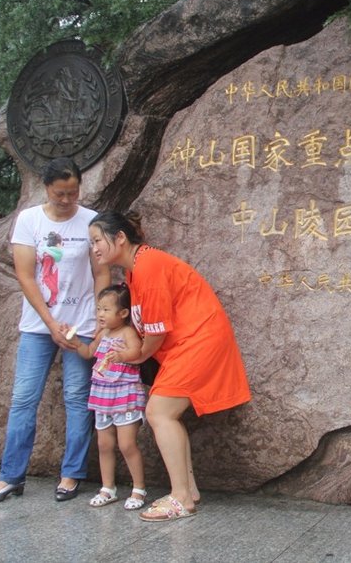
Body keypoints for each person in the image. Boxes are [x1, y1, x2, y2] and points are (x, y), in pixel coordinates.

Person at [87, 210, 251, 521]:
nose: (93, 249)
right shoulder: (136, 270)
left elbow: (157, 330)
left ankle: (181, 499)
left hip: (197, 340)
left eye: (97, 240)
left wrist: (138, 355)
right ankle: (187, 491)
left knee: (159, 412)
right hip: (188, 343)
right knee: (164, 413)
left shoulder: (148, 266)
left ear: (119, 238)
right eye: (91, 243)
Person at [0, 157, 110, 505]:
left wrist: (100, 320)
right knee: (24, 398)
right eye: (59, 193)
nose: (66, 199)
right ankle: (10, 476)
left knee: (77, 399)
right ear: (46, 188)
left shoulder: (91, 220)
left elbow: (101, 273)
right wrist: (51, 324)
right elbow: (26, 276)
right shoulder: (29, 220)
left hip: (81, 323)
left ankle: (72, 473)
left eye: (72, 192)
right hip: (39, 326)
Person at [64, 284, 147, 510]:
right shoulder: (102, 334)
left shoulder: (128, 332)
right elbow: (88, 352)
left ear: (123, 313)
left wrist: (122, 355)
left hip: (124, 394)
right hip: (102, 395)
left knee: (127, 444)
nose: (100, 314)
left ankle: (139, 489)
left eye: (106, 310)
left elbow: (138, 351)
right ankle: (107, 488)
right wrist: (75, 343)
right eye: (99, 309)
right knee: (104, 444)